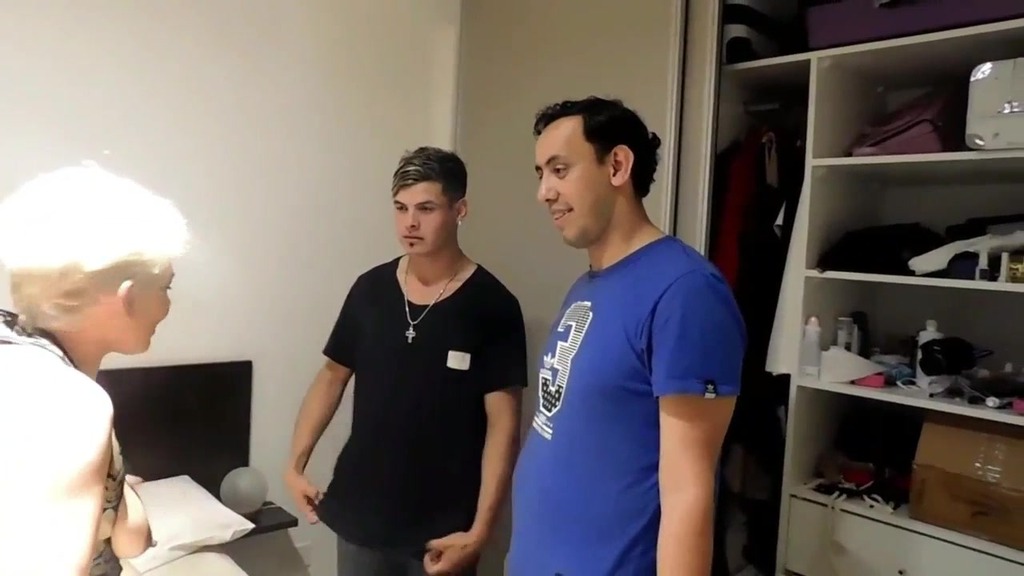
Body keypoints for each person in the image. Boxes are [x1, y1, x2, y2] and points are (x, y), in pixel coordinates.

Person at [507, 97, 747, 575]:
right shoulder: (587, 284)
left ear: (617, 165)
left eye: (559, 170)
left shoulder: (686, 292)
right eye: (541, 174)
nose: (544, 192)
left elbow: (689, 493)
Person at [284, 146, 527, 576]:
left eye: (426, 208)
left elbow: (503, 428)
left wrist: (481, 531)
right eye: (401, 208)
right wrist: (295, 464)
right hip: (360, 516)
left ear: (459, 210)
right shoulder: (370, 290)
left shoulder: (493, 305)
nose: (410, 223)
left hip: (442, 532)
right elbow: (332, 376)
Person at [0, 163, 189, 576]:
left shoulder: (19, 360)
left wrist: (116, 486)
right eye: (165, 287)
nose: (168, 306)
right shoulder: (70, 405)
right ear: (128, 297)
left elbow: (129, 539)